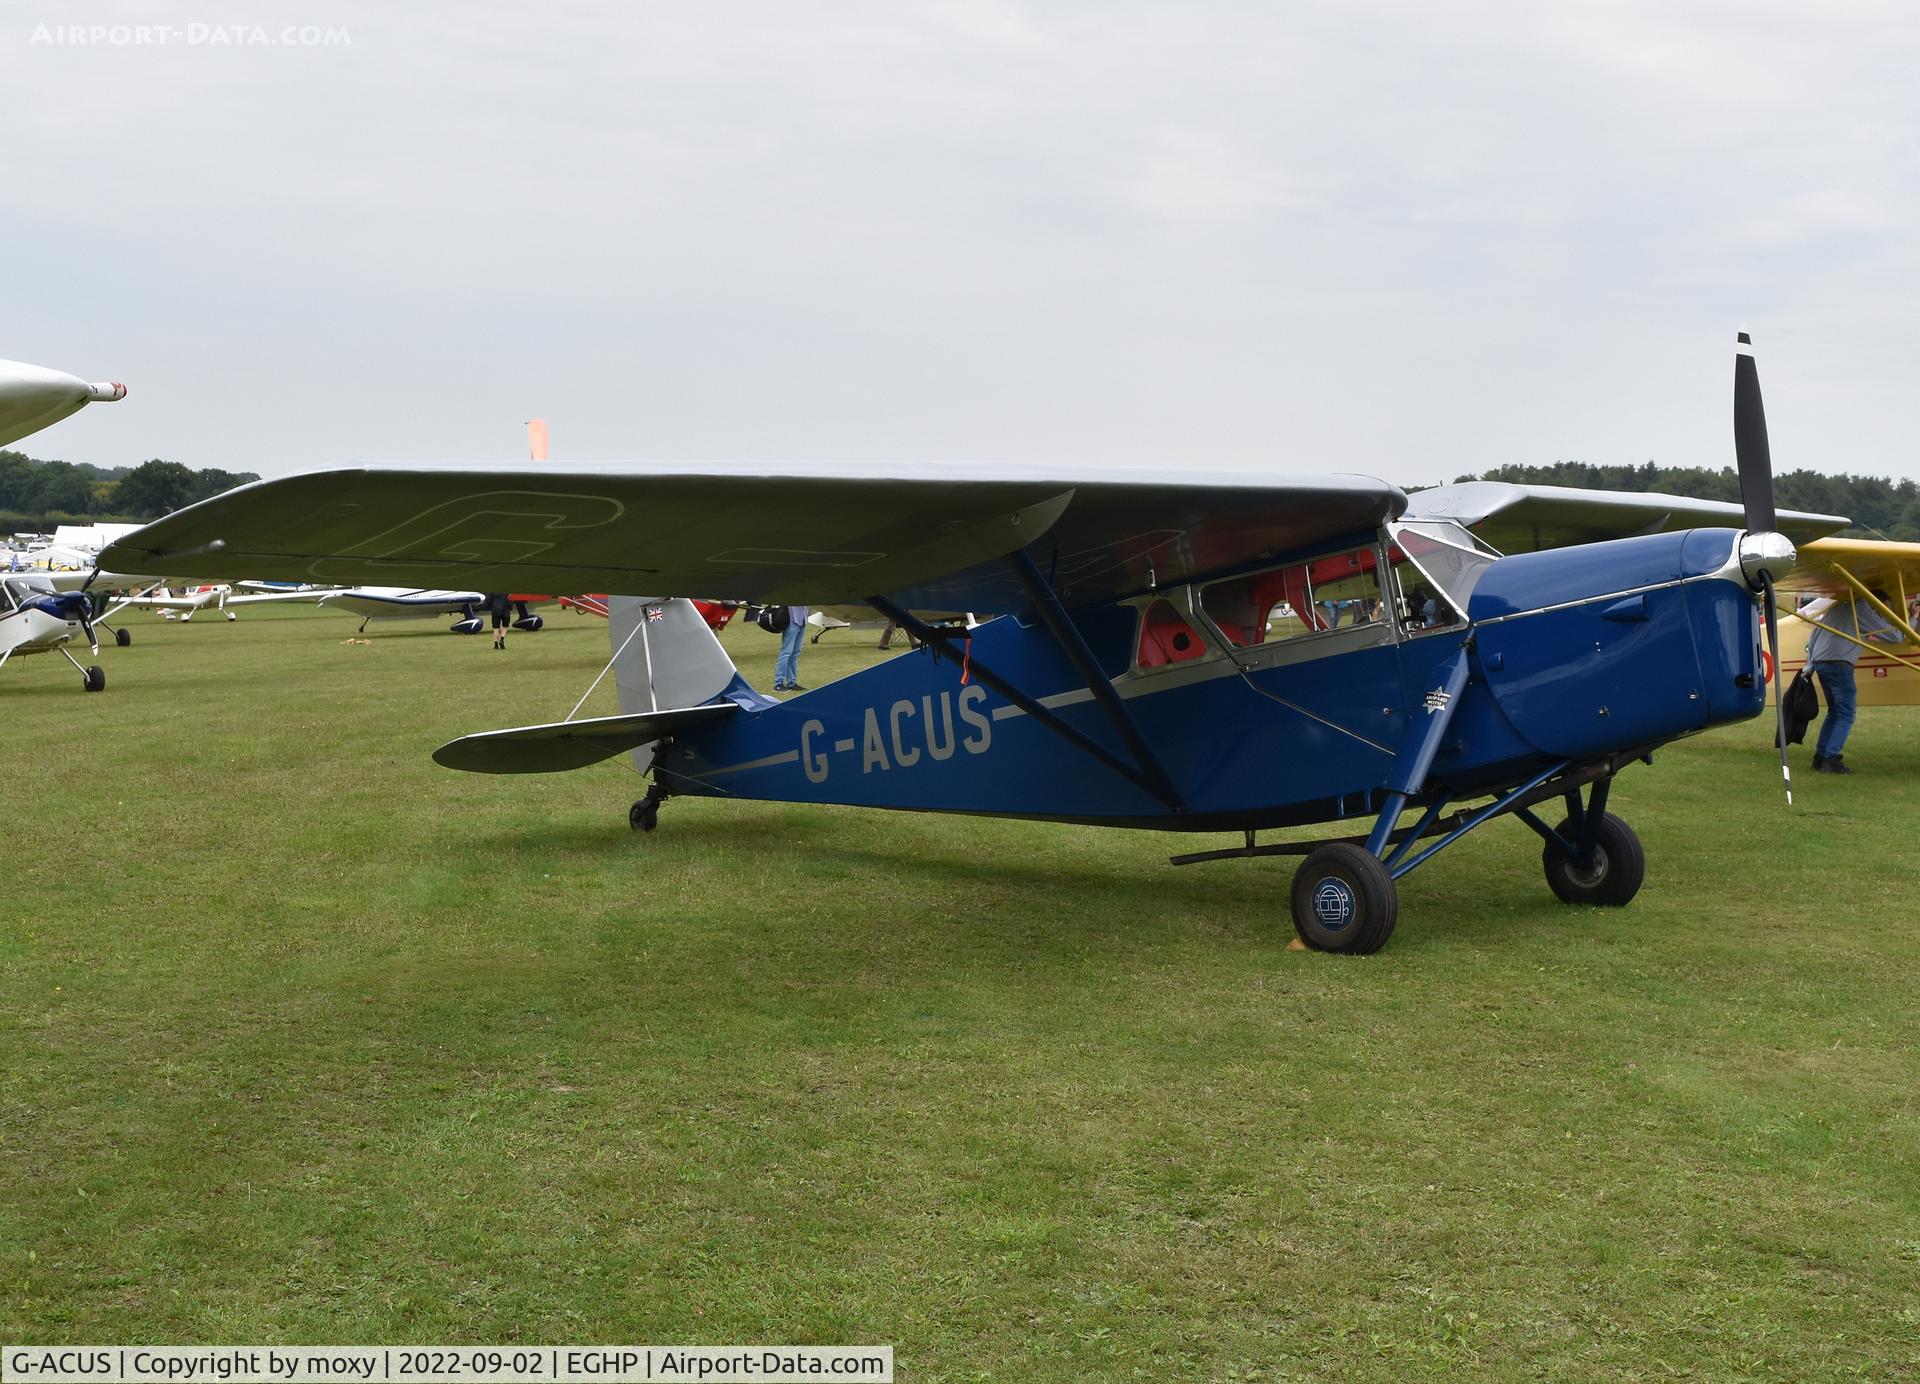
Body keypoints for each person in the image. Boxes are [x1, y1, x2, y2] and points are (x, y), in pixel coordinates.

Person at [1802, 590, 1904, 773]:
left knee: (1834, 713)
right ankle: (1831, 759)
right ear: (1875, 604)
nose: (1881, 615)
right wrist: (1913, 619)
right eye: (1882, 611)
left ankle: (1819, 758)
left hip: (1821, 664)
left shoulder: (1840, 606)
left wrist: (1810, 664)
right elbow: (1896, 637)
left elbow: (1815, 634)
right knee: (1846, 714)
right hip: (1839, 665)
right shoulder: (1863, 610)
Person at [774, 604, 809, 691]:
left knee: (795, 653)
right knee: (786, 653)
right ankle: (779, 683)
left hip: (802, 620)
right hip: (791, 621)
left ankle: (791, 682)